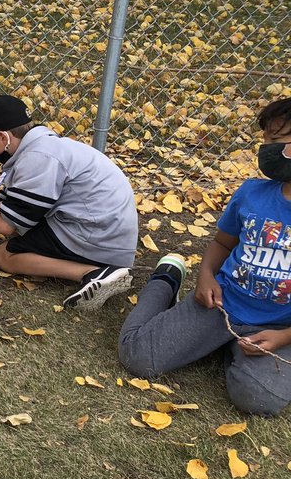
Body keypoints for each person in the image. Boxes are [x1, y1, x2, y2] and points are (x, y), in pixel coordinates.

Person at [118, 98, 291, 415]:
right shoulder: (252, 193)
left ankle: (225, 345)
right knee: (137, 356)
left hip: (280, 327)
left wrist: (283, 337)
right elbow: (223, 244)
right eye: (265, 140)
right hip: (222, 303)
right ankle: (165, 280)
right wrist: (206, 276)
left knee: (261, 399)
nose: (266, 150)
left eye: (277, 142)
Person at [0, 95, 138, 309]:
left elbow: (5, 225)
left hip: (100, 237)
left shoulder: (38, 157)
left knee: (5, 255)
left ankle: (94, 273)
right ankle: (98, 266)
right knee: (7, 215)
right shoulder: (40, 148)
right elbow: (10, 201)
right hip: (105, 229)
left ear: (2, 137)